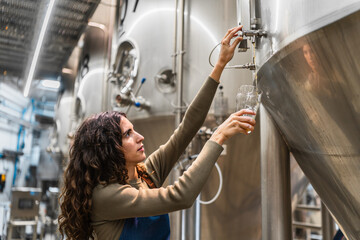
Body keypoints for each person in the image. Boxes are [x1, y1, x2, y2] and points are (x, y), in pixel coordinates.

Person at [58, 26, 256, 240]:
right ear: (108, 150)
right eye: (127, 134)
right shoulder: (105, 195)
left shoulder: (144, 175)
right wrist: (218, 136)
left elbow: (187, 128)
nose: (140, 137)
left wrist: (220, 64)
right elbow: (180, 196)